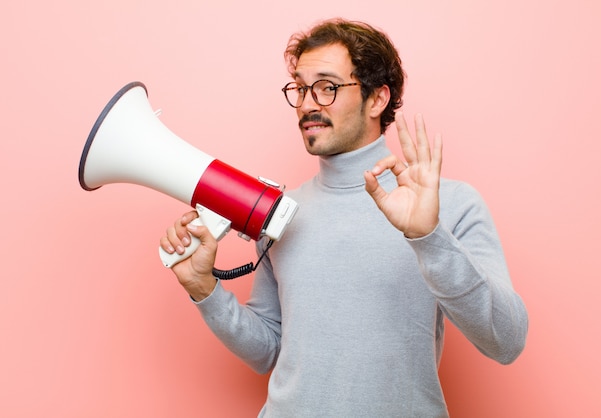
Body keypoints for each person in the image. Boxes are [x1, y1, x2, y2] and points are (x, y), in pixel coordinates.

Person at [160, 18, 528, 417]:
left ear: (377, 99)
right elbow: (269, 350)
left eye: (327, 87)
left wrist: (429, 237)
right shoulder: (280, 215)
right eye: (300, 88)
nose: (306, 104)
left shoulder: (449, 204)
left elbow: (506, 341)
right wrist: (204, 289)